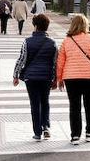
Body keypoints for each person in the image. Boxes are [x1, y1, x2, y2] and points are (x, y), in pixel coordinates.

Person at [54, 13, 90, 145]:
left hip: (71, 78)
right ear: (86, 24)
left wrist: (59, 78)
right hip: (89, 77)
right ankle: (89, 133)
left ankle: (75, 135)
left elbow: (60, 62)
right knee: (89, 105)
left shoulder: (67, 41)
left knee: (74, 107)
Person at [13, 12, 57, 141]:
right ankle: (46, 127)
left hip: (31, 78)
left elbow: (21, 59)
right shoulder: (52, 43)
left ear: (35, 26)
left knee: (34, 104)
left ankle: (37, 132)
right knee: (45, 102)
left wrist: (15, 75)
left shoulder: (27, 42)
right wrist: (56, 78)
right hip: (46, 77)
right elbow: (55, 62)